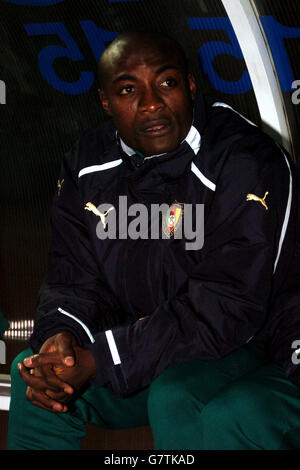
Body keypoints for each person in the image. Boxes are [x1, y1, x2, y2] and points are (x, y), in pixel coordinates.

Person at [7, 31, 300, 450]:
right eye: (128, 90)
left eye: (167, 83)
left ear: (191, 86)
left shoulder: (243, 160)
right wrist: (62, 338)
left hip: (252, 340)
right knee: (32, 372)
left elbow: (229, 307)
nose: (151, 104)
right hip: (156, 343)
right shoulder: (87, 163)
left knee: (177, 397)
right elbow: (73, 275)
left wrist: (103, 358)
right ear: (105, 102)